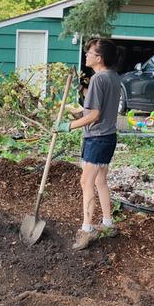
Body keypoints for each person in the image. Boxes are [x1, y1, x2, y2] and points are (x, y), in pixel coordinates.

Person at [55, 38, 122, 250]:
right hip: (108, 136)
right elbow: (98, 110)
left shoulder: (97, 80)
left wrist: (69, 125)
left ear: (99, 57)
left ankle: (87, 229)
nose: (86, 55)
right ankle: (108, 224)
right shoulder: (113, 77)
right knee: (100, 181)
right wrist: (78, 112)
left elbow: (94, 114)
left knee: (86, 183)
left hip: (97, 138)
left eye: (89, 52)